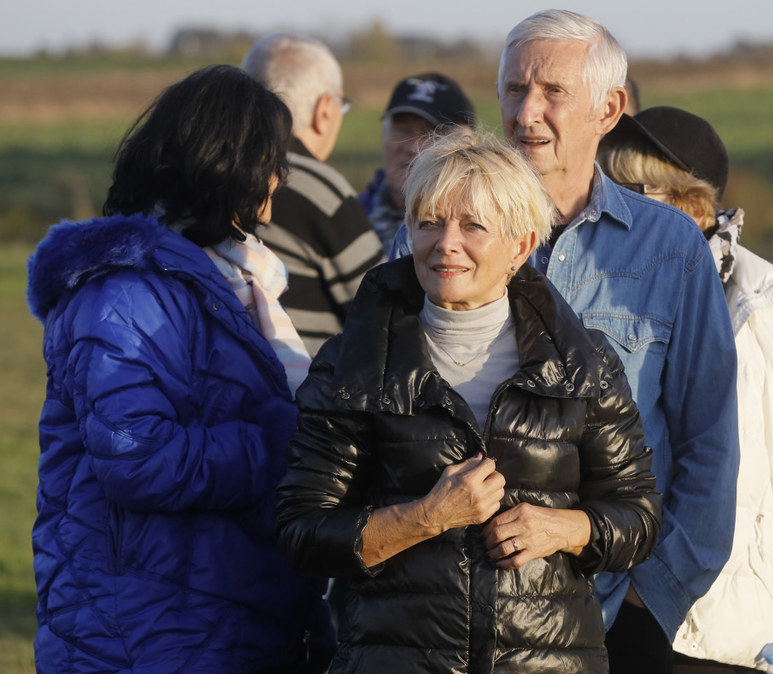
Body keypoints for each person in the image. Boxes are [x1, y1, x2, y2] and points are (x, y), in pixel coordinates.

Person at [275, 131, 662, 672]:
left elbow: (639, 517)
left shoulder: (583, 364)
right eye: (429, 222)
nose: (446, 243)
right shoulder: (354, 365)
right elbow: (301, 531)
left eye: (473, 226)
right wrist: (425, 517)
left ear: (521, 246)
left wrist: (564, 528)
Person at [26, 64, 332, 672]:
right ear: (225, 164)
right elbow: (136, 457)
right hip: (144, 629)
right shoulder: (126, 294)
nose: (278, 177)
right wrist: (286, 445)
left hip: (212, 611)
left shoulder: (228, 280)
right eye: (269, 159)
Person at [494, 11, 741, 672]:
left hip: (614, 617)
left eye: (552, 93)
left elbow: (709, 437)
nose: (527, 112)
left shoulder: (672, 249)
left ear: (610, 108)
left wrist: (650, 594)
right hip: (467, 618)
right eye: (515, 90)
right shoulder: (444, 238)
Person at [599, 106, 773, 671]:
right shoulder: (578, 294)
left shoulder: (764, 307)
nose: (606, 206)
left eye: (628, 189)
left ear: (692, 207)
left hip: (730, 639)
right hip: (600, 617)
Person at [242, 32, 385, 355]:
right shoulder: (320, 189)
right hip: (301, 391)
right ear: (324, 110)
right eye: (341, 104)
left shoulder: (208, 173)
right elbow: (382, 311)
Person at [360, 72, 477, 255]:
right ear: (383, 136)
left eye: (431, 133)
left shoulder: (491, 228)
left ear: (468, 145)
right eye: (403, 130)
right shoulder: (346, 219)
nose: (413, 147)